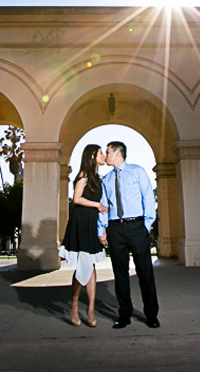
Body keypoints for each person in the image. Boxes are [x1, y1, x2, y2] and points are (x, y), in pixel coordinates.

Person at [98, 140, 159, 329]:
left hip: (137, 227)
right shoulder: (106, 180)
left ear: (117, 153)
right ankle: (124, 315)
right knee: (120, 274)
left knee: (145, 272)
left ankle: (151, 315)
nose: (106, 156)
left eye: (108, 152)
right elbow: (104, 207)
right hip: (116, 229)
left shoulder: (137, 172)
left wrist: (147, 224)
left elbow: (148, 196)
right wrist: (102, 229)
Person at [58, 144, 108, 327]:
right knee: (83, 264)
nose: (103, 156)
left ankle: (91, 309)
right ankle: (74, 303)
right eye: (101, 153)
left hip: (92, 222)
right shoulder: (83, 175)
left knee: (90, 264)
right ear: (92, 156)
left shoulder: (98, 178)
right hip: (81, 222)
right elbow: (76, 199)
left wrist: (102, 229)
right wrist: (97, 206)